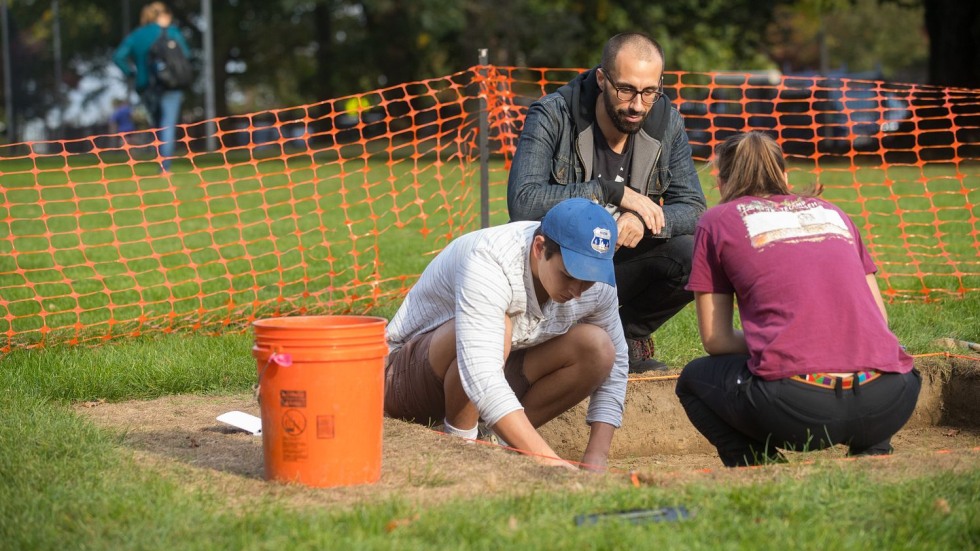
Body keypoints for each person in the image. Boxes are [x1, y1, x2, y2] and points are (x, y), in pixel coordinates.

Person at [675, 131, 921, 467]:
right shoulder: (835, 213)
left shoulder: (716, 222)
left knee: (692, 381)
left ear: (720, 181)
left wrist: (786, 340)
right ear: (785, 176)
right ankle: (872, 458)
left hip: (798, 407)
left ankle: (760, 471)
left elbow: (715, 339)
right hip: (893, 395)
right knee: (870, 353)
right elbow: (879, 319)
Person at [507, 32, 706, 374]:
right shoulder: (553, 114)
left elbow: (693, 207)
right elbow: (523, 203)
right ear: (602, 79)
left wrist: (642, 222)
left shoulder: (667, 122)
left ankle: (624, 338)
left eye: (649, 92)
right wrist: (610, 192)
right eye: (625, 89)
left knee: (697, 255)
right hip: (556, 263)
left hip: (613, 261)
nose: (637, 105)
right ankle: (551, 341)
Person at [384, 198, 629, 471]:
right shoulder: (490, 259)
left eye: (590, 277)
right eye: (569, 274)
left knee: (598, 348)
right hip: (407, 380)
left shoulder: (595, 284)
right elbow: (480, 372)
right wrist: (554, 464)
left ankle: (497, 444)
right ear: (539, 248)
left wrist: (596, 457)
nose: (578, 289)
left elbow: (616, 363)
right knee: (498, 329)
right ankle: (460, 450)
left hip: (496, 366)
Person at [113, 1, 191, 171]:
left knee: (157, 126)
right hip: (171, 85)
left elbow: (118, 56)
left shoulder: (136, 35)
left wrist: (131, 73)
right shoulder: (171, 32)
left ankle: (161, 163)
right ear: (163, 14)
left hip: (146, 86)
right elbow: (186, 54)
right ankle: (165, 168)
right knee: (168, 125)